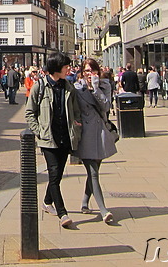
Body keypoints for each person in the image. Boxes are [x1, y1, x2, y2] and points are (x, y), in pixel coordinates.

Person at [24, 52, 81, 228]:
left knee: (57, 175)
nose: (69, 69)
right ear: (56, 68)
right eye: (66, 67)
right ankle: (63, 213)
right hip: (48, 139)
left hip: (65, 138)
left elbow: (76, 110)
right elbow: (29, 113)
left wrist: (76, 126)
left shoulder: (69, 87)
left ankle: (47, 202)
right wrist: (39, 131)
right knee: (54, 173)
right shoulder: (39, 87)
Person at [74, 59, 116, 223]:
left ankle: (85, 202)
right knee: (93, 173)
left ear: (98, 72)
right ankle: (104, 210)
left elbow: (106, 107)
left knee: (94, 171)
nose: (89, 74)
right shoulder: (78, 88)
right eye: (86, 71)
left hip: (101, 133)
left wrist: (96, 89)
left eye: (92, 71)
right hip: (86, 134)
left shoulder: (105, 86)